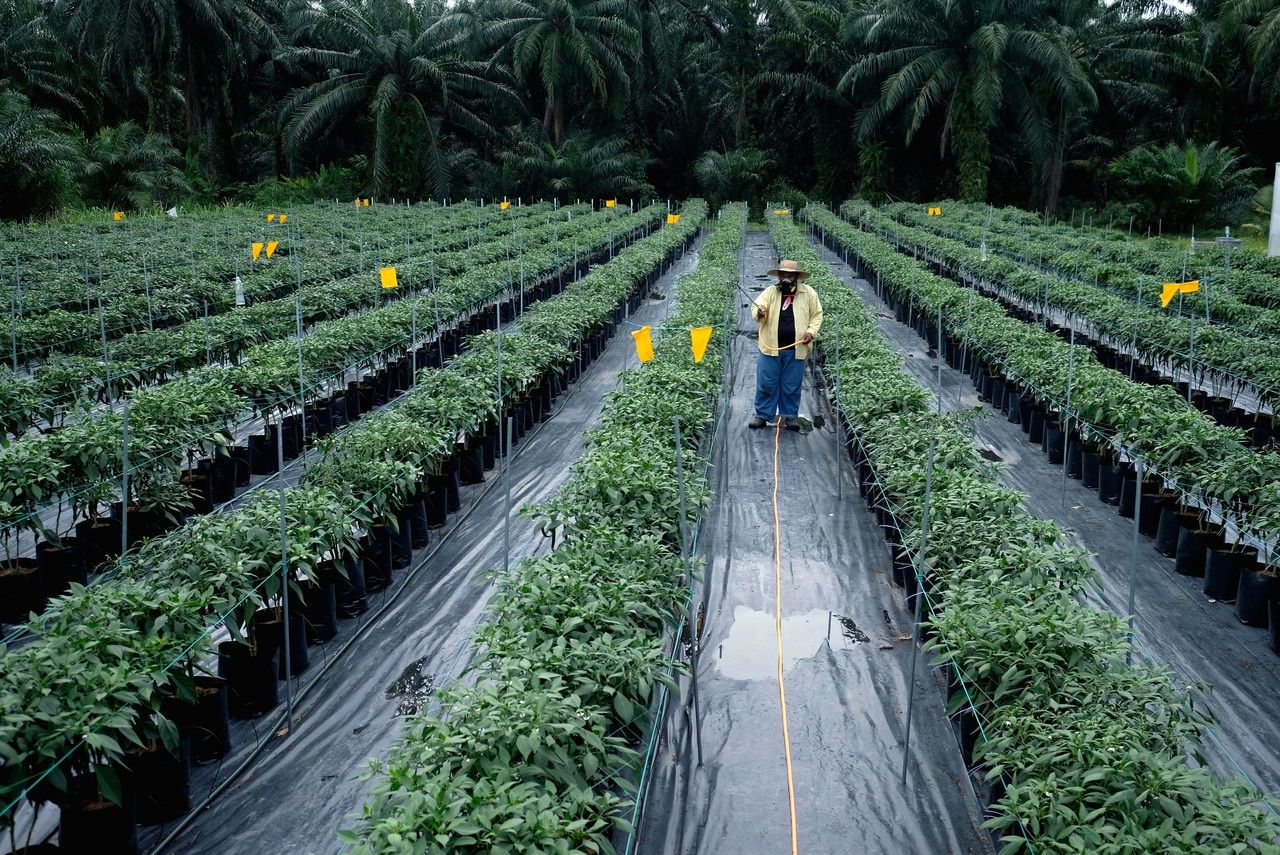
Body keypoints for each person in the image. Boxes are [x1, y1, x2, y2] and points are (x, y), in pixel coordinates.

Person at [749, 259, 823, 431]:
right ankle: (762, 415)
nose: (786, 278)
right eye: (783, 275)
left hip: (796, 348)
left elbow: (817, 315)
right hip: (770, 348)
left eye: (789, 275)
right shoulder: (770, 292)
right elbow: (757, 309)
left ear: (796, 277)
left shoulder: (808, 293)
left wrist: (811, 332)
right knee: (767, 383)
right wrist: (760, 312)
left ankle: (790, 416)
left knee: (791, 385)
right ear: (779, 276)